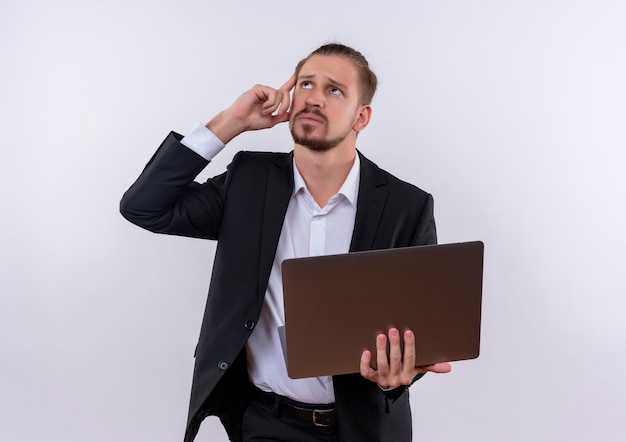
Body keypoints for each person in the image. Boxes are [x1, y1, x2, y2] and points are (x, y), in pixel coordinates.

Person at [120, 43, 451, 442]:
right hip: (265, 422)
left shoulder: (407, 206)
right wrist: (230, 122)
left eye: (334, 90)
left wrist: (395, 378)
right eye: (306, 84)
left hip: (364, 427)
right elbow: (144, 208)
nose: (312, 98)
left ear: (361, 116)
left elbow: (417, 329)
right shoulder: (248, 181)